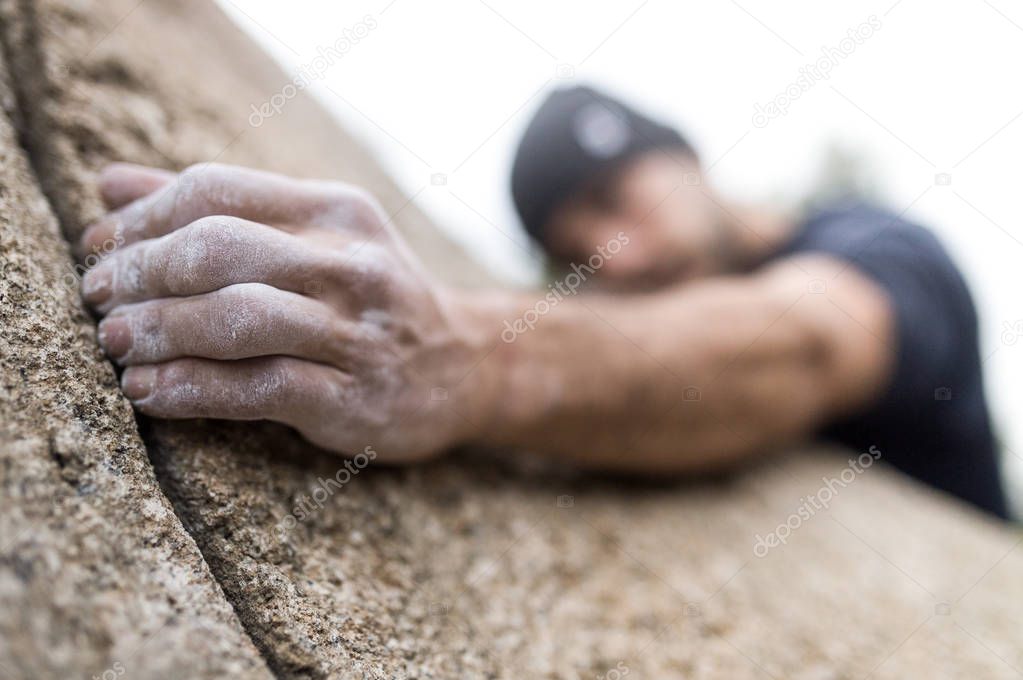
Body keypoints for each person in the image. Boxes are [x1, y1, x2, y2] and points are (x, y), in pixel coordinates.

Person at [79, 85, 1007, 518]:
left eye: (616, 202)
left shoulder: (882, 249)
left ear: (683, 154)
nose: (620, 257)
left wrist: (471, 359)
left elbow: (805, 339)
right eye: (577, 252)